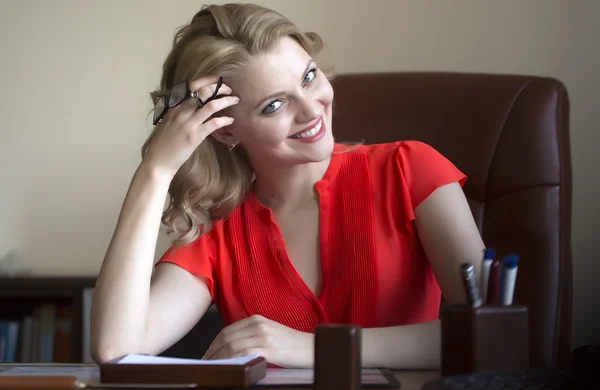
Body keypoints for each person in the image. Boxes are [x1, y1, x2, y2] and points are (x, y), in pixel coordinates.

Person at [90, 2, 485, 370]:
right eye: (274, 105)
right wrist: (155, 171)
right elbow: (117, 347)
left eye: (309, 78)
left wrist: (310, 347)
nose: (313, 109)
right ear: (225, 132)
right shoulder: (219, 231)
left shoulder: (411, 169)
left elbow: (490, 336)